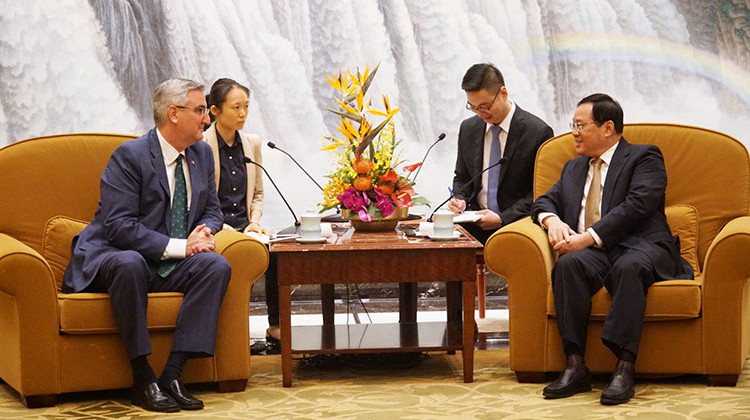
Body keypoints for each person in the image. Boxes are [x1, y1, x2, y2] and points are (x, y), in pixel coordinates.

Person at [62, 78, 231, 412]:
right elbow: (119, 227)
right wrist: (183, 246)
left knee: (216, 265)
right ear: (173, 113)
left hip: (167, 262)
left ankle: (172, 374)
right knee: (130, 263)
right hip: (115, 256)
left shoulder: (201, 153)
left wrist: (204, 231)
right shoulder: (130, 156)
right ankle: (143, 378)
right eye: (199, 110)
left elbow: (213, 210)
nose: (207, 119)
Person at [530, 93, 694, 405]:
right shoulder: (573, 168)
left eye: (580, 125)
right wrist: (551, 221)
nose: (574, 132)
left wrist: (586, 237)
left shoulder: (644, 157)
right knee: (568, 265)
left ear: (608, 127)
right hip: (597, 253)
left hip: (642, 245)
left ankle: (624, 366)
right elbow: (544, 200)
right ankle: (575, 365)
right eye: (572, 125)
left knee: (628, 267)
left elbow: (638, 205)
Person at [203, 78, 281, 355]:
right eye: (235, 107)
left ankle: (276, 327)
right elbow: (200, 200)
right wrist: (228, 229)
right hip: (215, 227)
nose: (242, 114)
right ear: (215, 110)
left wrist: (255, 222)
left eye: (246, 107)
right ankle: (236, 331)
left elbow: (257, 193)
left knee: (278, 252)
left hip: (246, 225)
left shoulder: (252, 143)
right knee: (236, 256)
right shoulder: (200, 145)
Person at [449, 63, 553, 243]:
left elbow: (540, 192)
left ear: (503, 93)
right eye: (473, 107)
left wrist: (502, 218)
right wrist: (459, 198)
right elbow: (462, 178)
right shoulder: (469, 128)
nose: (481, 114)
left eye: (485, 106)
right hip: (473, 223)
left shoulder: (538, 132)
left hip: (517, 224)